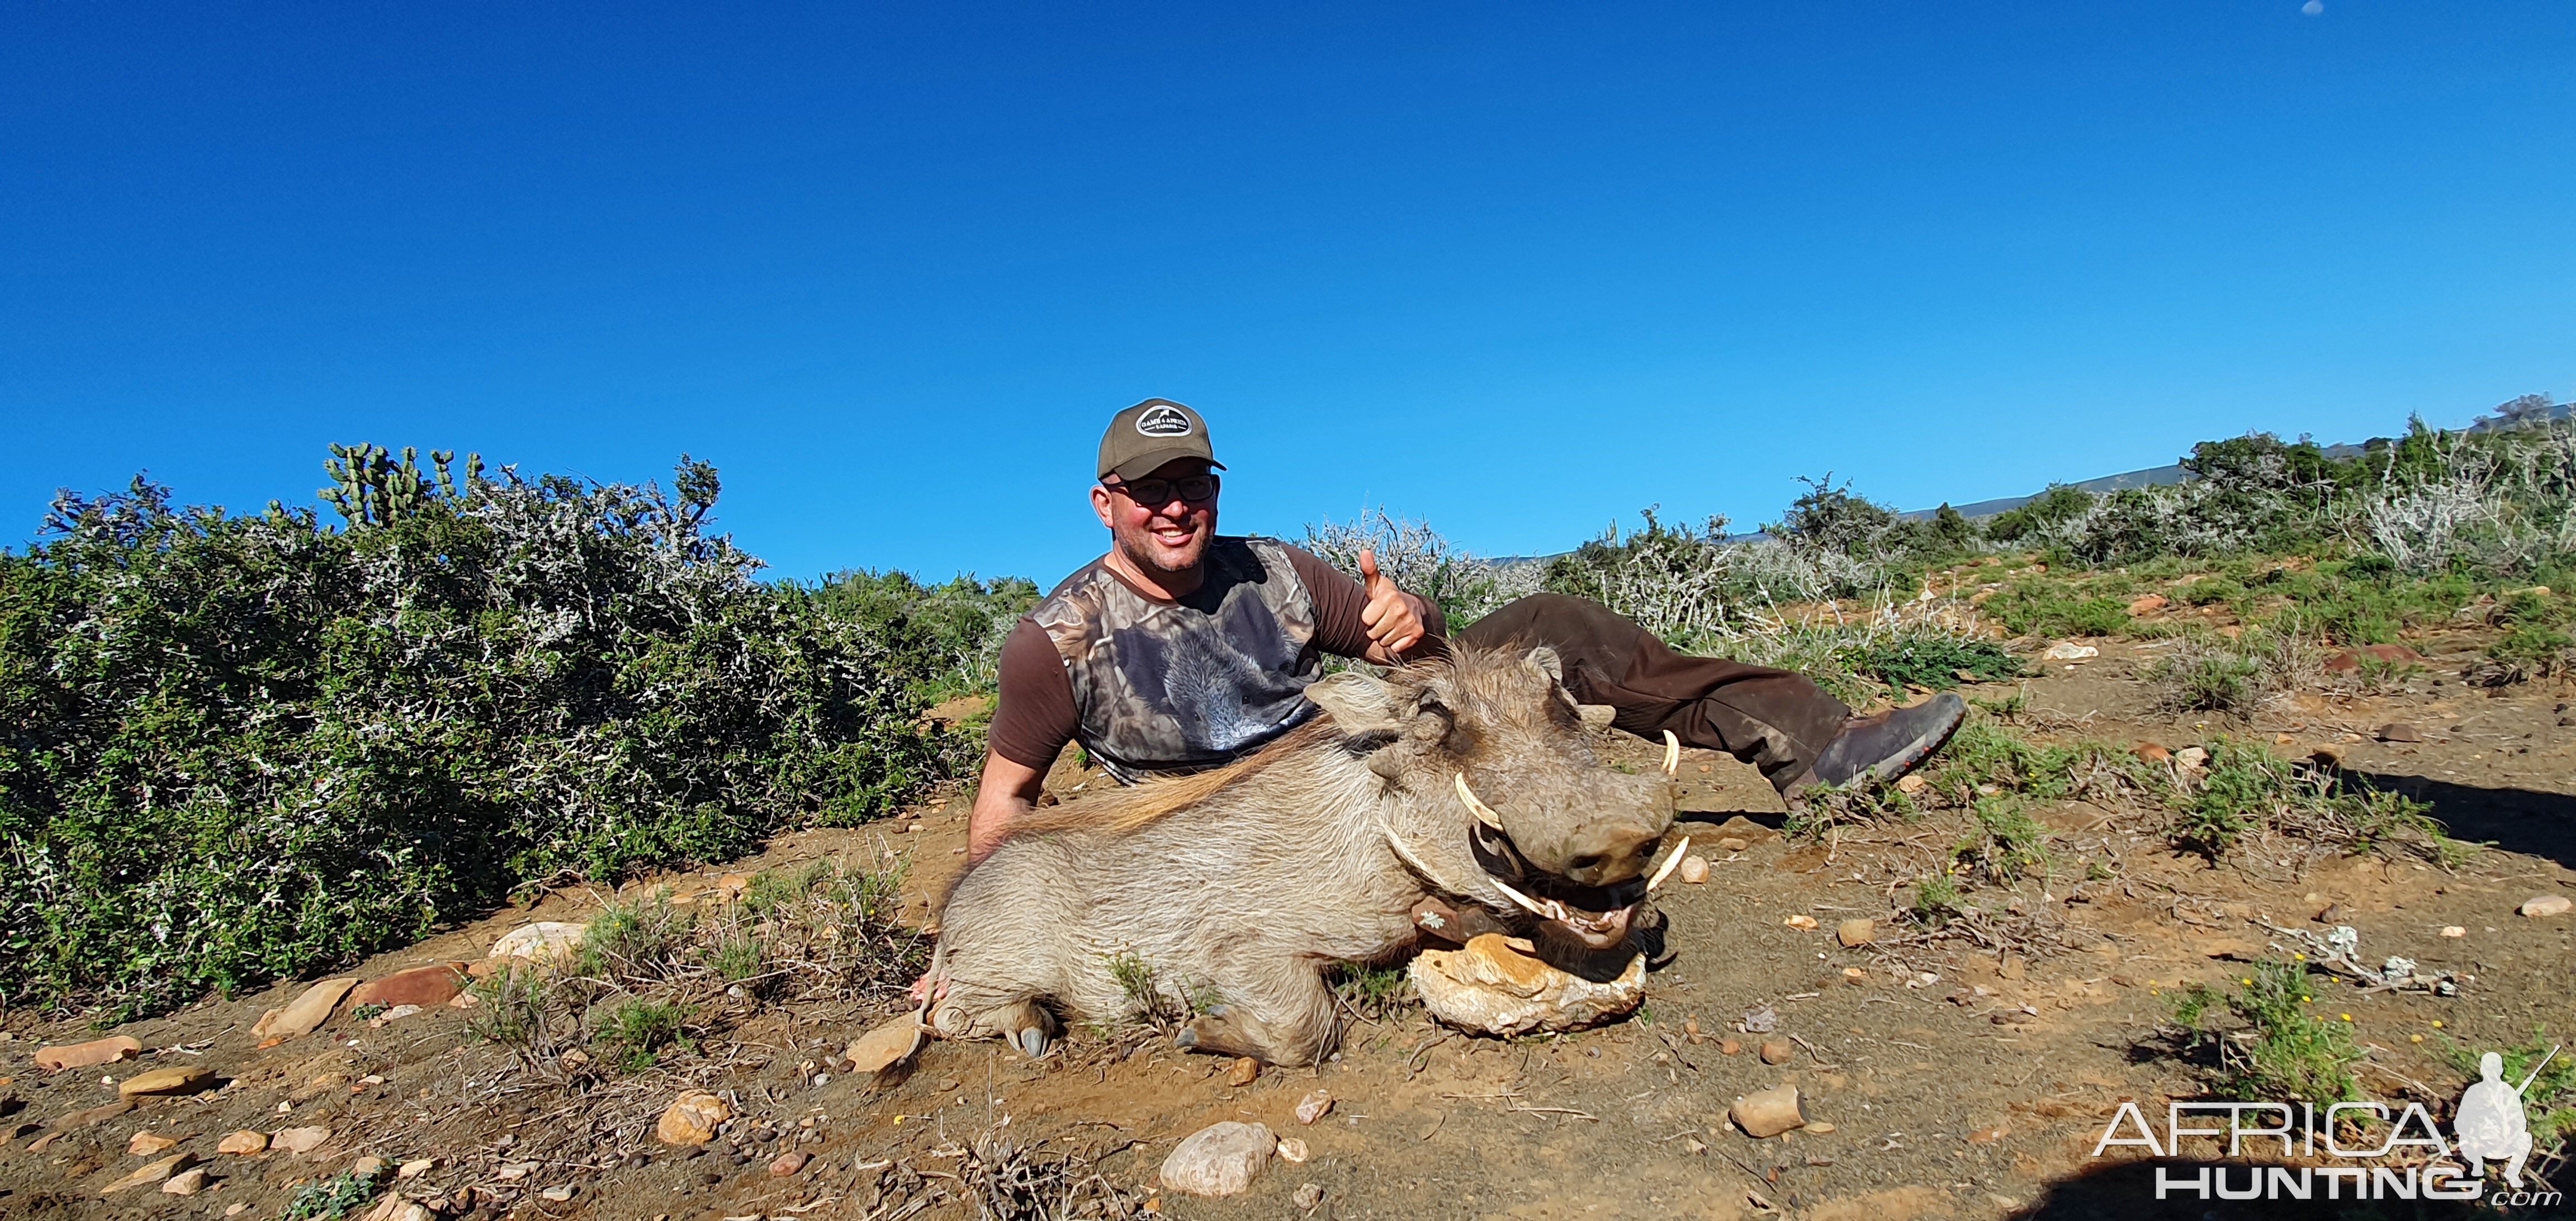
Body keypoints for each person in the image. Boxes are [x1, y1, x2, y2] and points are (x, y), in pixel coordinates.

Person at [965, 398, 1967, 869]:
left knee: (1552, 624)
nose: (1175, 509)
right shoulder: (1054, 642)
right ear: (1106, 505)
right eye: (1150, 494)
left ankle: (1814, 745)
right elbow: (1008, 795)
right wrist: (965, 938)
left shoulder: (1273, 566)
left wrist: (1412, 619)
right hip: (1235, 830)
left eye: (1192, 487)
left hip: (1362, 753)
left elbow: (1407, 650)